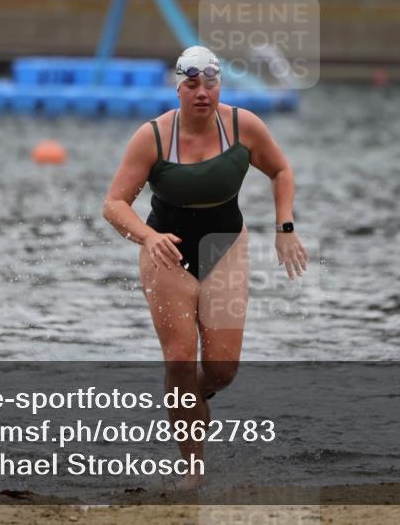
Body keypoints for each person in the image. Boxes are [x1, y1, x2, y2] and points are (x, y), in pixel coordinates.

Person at [102, 45, 307, 488]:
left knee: (221, 369)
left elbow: (281, 171)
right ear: (178, 87)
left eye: (210, 83)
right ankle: (191, 469)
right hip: (166, 250)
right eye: (192, 84)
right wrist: (148, 236)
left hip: (224, 244)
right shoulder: (152, 136)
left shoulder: (243, 125)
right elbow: (114, 204)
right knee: (179, 358)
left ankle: (188, 397)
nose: (202, 92)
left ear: (219, 86)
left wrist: (285, 226)